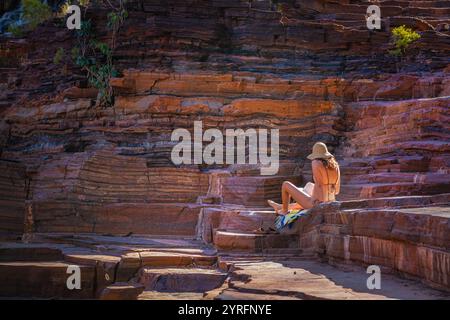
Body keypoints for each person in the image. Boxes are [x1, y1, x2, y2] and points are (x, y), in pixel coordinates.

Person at [268, 142, 340, 215]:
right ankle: (280, 206)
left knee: (285, 185)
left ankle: (284, 211)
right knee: (309, 186)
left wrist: (314, 199)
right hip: (331, 201)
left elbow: (318, 184)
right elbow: (336, 191)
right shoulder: (336, 166)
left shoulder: (316, 162)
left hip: (317, 204)